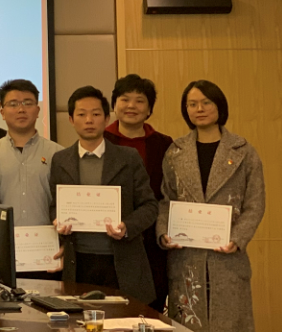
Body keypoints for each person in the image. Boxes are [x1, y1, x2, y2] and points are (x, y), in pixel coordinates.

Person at [157, 80, 265, 331]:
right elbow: (166, 200)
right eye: (192, 104)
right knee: (187, 325)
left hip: (227, 258)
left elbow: (255, 203)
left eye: (206, 102)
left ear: (219, 106)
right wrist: (164, 233)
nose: (199, 109)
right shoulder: (175, 152)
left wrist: (237, 238)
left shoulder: (243, 151)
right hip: (186, 257)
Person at [50, 86, 158, 304]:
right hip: (78, 260)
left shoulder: (128, 158)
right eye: (82, 114)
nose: (89, 120)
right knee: (79, 318)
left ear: (107, 118)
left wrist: (127, 227)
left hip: (121, 261)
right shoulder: (60, 160)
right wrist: (58, 221)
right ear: (71, 119)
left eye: (96, 114)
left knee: (123, 319)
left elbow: (149, 206)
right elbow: (54, 205)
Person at [104, 74, 173, 312]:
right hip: (109, 242)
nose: (131, 106)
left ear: (149, 109)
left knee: (149, 311)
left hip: (151, 242)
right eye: (125, 99)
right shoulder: (100, 140)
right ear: (114, 105)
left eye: (140, 100)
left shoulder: (164, 144)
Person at [0, 79, 63, 278]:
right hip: (1, 251)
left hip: (46, 253)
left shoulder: (58, 154)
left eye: (27, 103)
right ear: (2, 112)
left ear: (38, 110)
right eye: (13, 104)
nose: (21, 109)